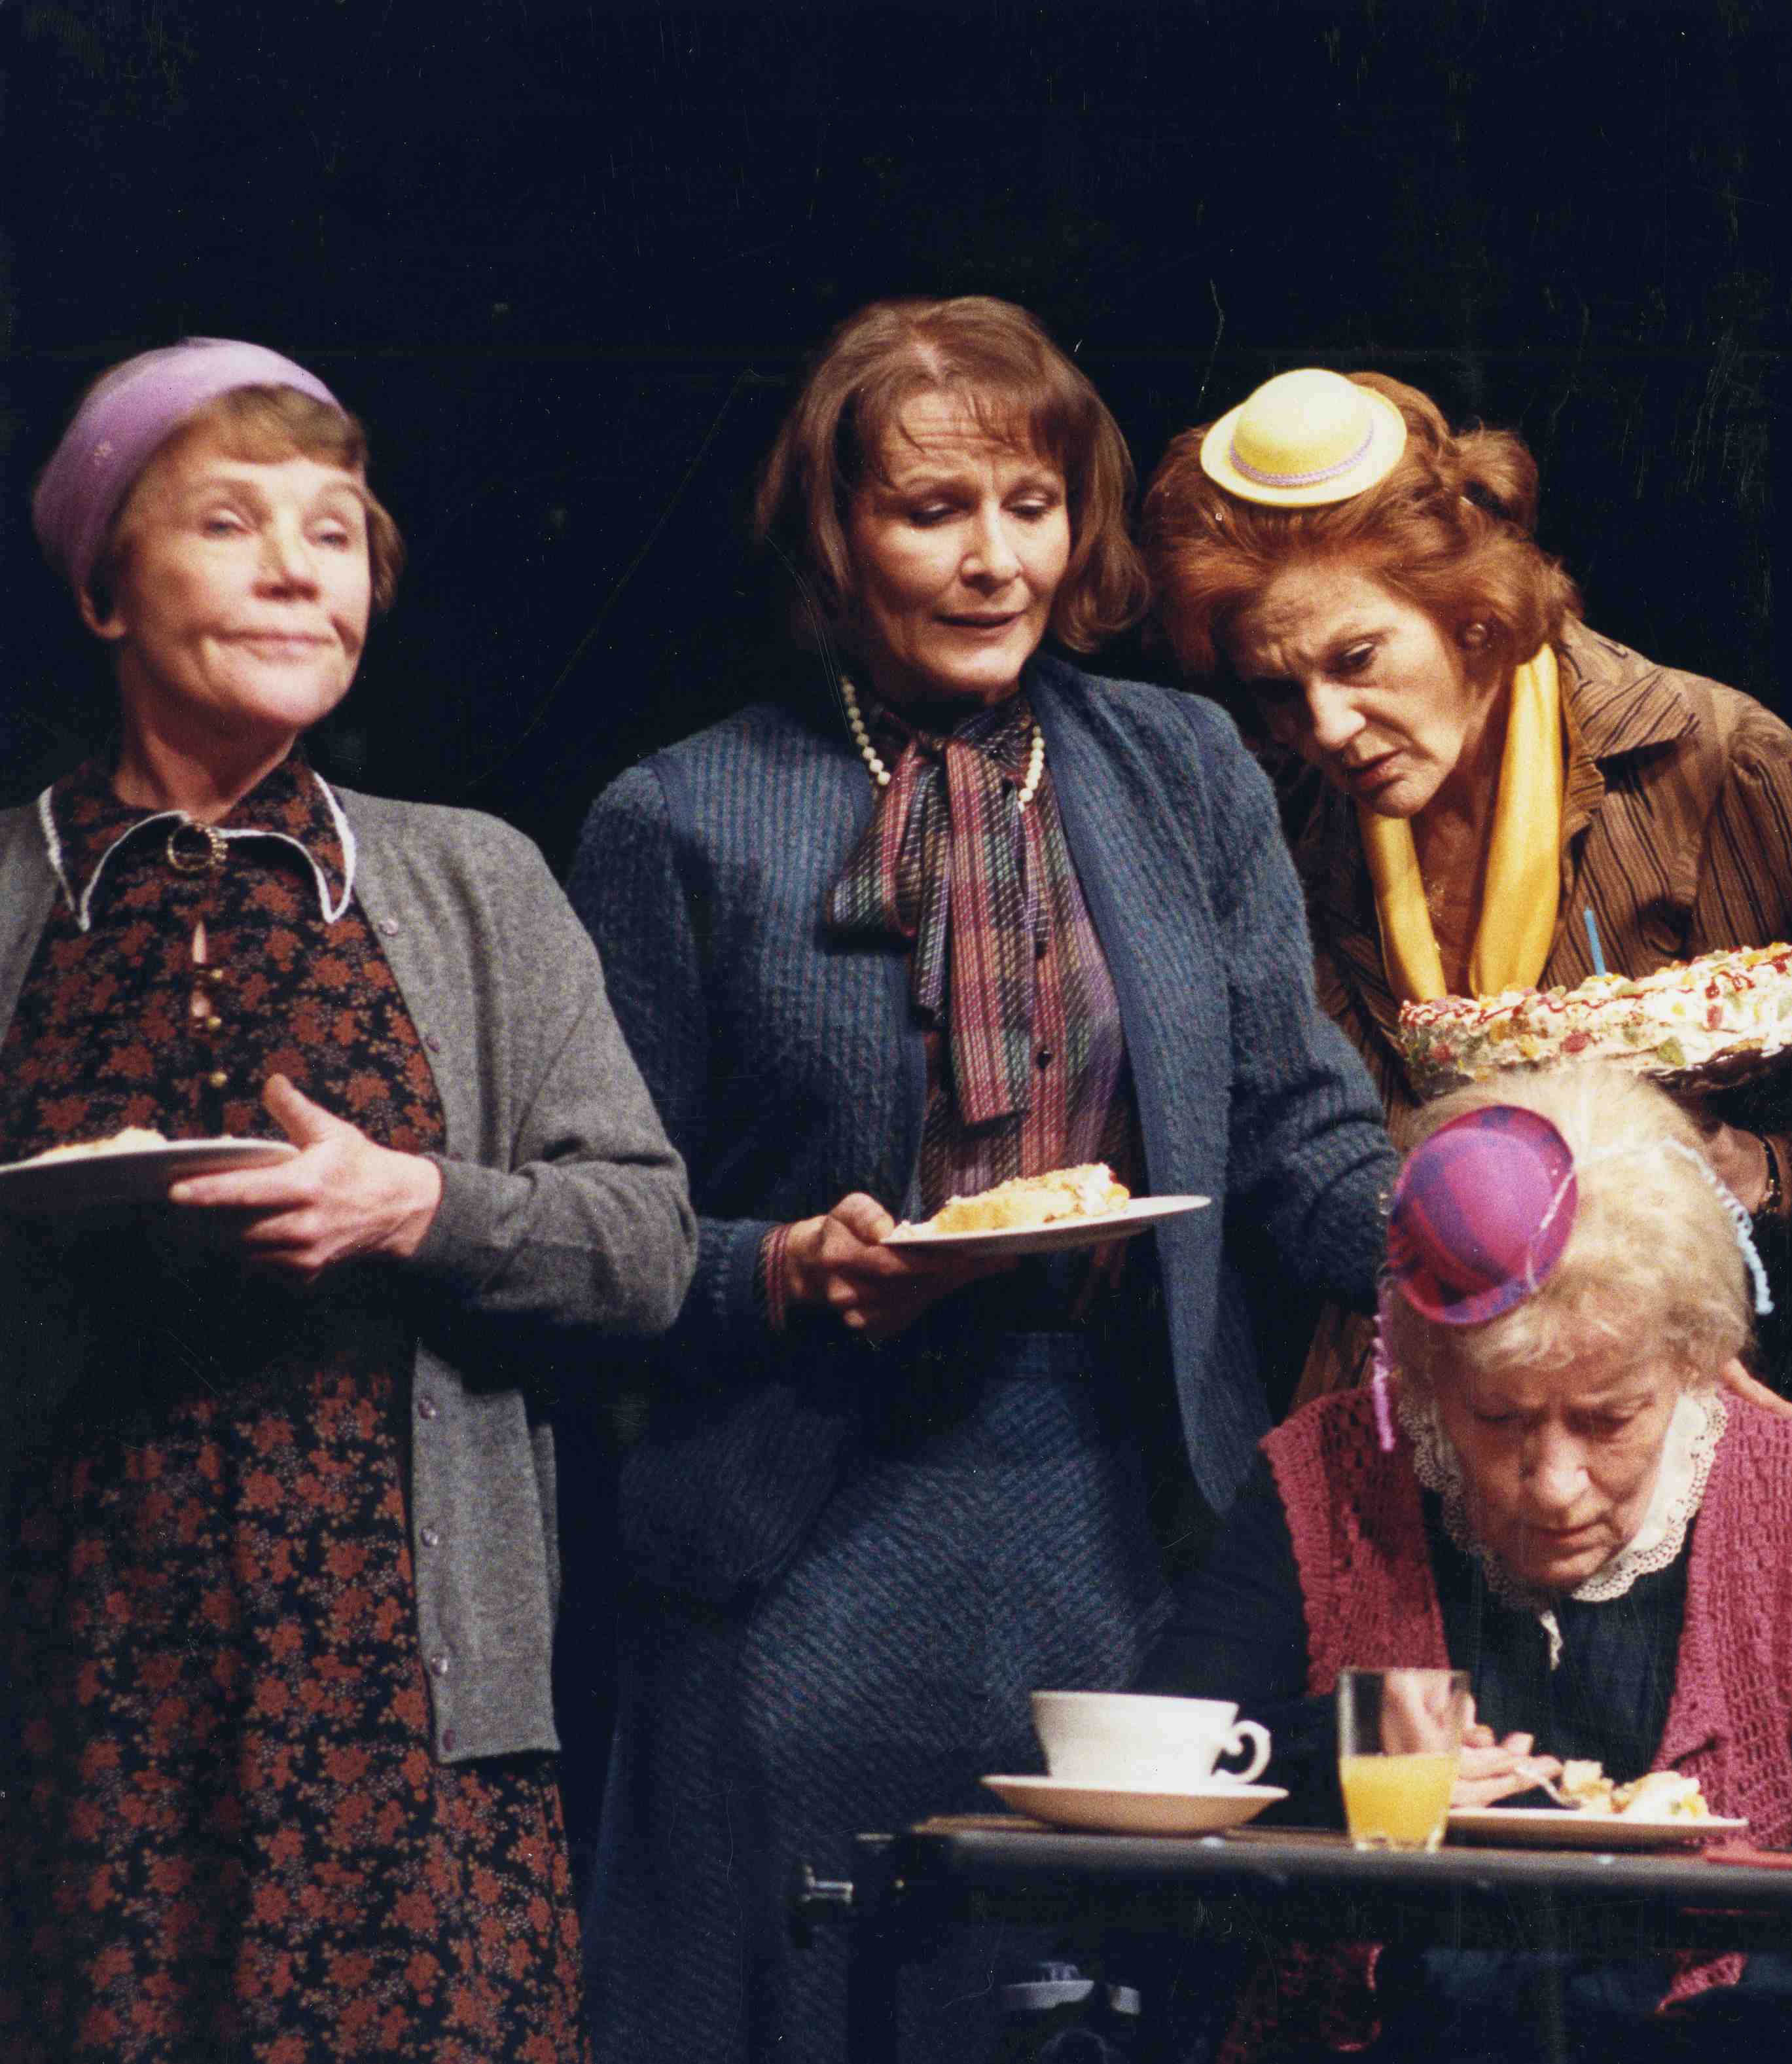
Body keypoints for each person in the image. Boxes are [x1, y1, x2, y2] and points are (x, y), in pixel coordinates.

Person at [565, 297, 1398, 2063]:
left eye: (1030, 504)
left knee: (1071, 2010)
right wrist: (780, 1266)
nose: (993, 559)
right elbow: (598, 1233)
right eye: (931, 510)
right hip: (794, 1521)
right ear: (834, 534)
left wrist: (1493, 1245)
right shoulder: (682, 819)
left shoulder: (1181, 770)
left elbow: (1297, 1132)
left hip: (1119, 1515)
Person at [0, 341, 694, 2061]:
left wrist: (419, 1206)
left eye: (334, 530)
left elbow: (646, 1243)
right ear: (103, 590)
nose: (297, 569)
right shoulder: (13, 893)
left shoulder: (472, 879)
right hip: (69, 1712)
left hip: (405, 1721)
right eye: (228, 522)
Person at [1136, 1060, 1792, 2060]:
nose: (1553, 1485)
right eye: (1498, 1417)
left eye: (1609, 1419)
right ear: (1426, 1370)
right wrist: (1328, 1757)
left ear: (1693, 1357)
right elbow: (1136, 1800)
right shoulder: (1326, 1479)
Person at [1136, 370, 1792, 1399]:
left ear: (1470, 610)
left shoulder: (1715, 762)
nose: (1323, 726)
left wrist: (1765, 1170)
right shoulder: (1278, 817)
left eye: (1355, 658)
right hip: (1385, 1391)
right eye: (1278, 688)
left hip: (1657, 1394)